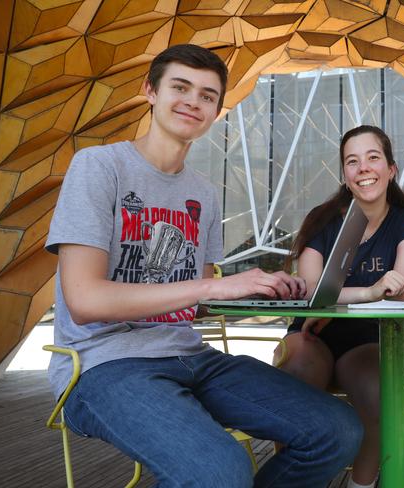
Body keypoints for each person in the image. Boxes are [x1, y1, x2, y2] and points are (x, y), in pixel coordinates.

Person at [45, 43, 363, 488]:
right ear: (150, 92)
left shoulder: (203, 192)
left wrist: (256, 290)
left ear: (216, 111)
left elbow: (189, 305)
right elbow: (84, 300)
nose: (193, 101)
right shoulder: (100, 167)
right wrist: (213, 287)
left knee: (337, 431)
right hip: (101, 365)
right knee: (220, 470)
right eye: (180, 87)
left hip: (192, 356)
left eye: (207, 95)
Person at [274, 125, 404, 488]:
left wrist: (362, 292)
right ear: (344, 175)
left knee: (378, 391)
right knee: (293, 373)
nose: (363, 168)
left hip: (367, 340)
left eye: (373, 158)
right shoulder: (324, 219)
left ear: (391, 169)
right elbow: (312, 292)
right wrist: (370, 291)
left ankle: (361, 485)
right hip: (314, 333)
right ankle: (294, 479)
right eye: (352, 161)